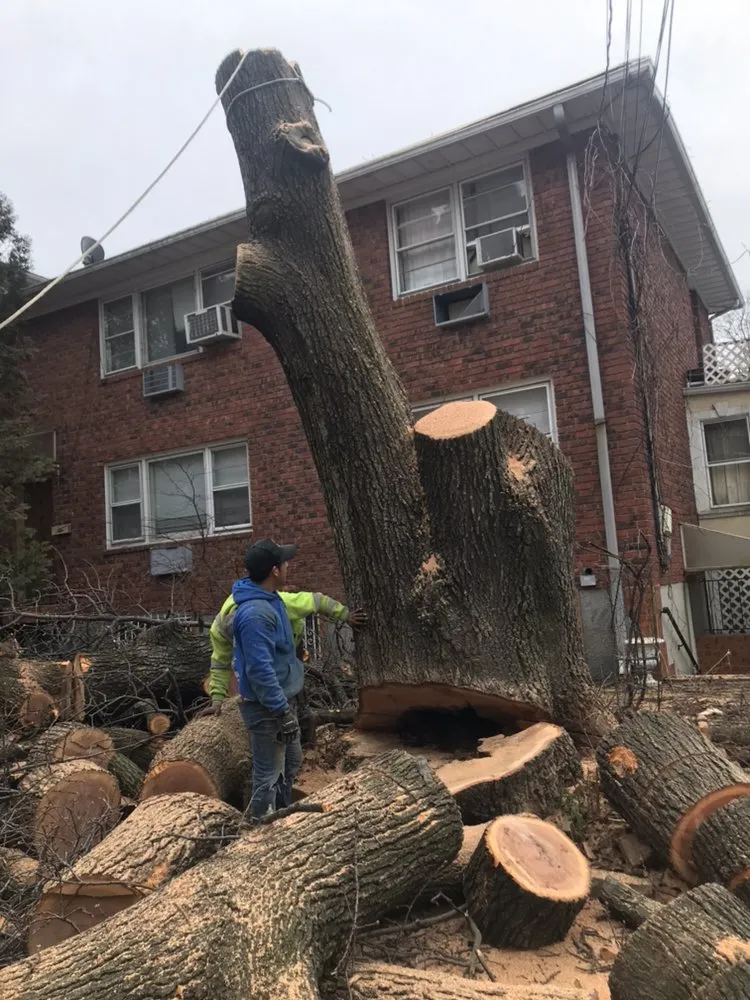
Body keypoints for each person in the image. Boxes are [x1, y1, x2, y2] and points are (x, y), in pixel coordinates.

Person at [229, 538, 305, 818]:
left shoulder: (270, 601)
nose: (288, 566)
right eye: (284, 563)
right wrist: (281, 710)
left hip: (279, 701)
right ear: (274, 570)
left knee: (292, 760)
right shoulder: (255, 614)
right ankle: (261, 828)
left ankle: (281, 817)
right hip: (266, 708)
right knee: (268, 774)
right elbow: (259, 671)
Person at [208, 579, 366, 712]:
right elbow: (220, 663)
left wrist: (346, 615)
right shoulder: (219, 629)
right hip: (270, 656)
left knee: (296, 694)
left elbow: (318, 601)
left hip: (289, 642)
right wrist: (217, 700)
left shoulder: (283, 603)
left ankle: (302, 719)